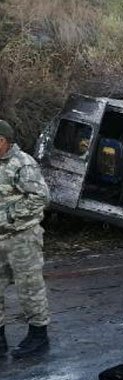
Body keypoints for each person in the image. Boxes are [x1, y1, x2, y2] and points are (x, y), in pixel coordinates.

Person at [0, 119, 51, 359]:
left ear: (3, 141)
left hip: (22, 238)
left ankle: (38, 336)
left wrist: (7, 214)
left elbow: (41, 198)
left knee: (29, 288)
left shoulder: (23, 164)